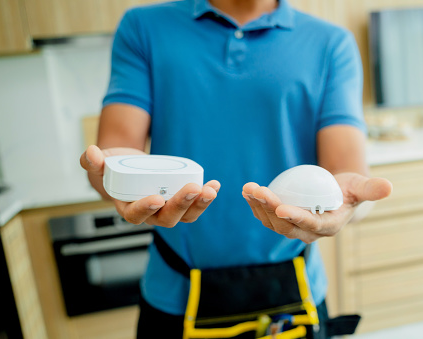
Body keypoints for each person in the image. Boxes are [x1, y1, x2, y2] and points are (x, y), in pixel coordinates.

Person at [80, 0, 393, 337]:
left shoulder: (331, 43)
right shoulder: (143, 28)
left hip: (293, 295)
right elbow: (115, 161)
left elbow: (346, 179)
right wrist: (114, 176)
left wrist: (349, 205)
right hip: (174, 296)